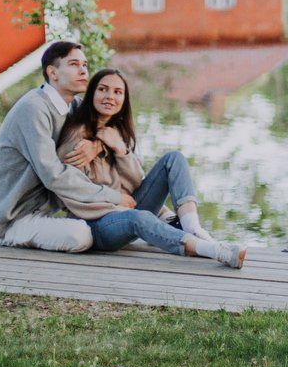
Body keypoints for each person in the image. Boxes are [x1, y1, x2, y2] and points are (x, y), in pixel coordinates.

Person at [56, 67, 247, 268]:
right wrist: (115, 203)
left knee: (174, 158)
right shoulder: (76, 139)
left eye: (117, 92)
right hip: (97, 224)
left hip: (127, 209)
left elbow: (137, 181)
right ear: (91, 93)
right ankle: (212, 250)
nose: (109, 97)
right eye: (103, 89)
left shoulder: (116, 132)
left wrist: (121, 150)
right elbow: (72, 193)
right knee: (140, 217)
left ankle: (193, 228)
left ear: (124, 99)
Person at [0, 40, 130, 252]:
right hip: (14, 216)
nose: (83, 70)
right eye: (73, 64)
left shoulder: (74, 106)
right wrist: (112, 197)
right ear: (53, 73)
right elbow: (53, 174)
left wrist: (97, 146)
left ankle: (164, 218)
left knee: (118, 207)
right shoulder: (33, 109)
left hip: (47, 210)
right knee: (81, 236)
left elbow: (116, 129)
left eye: (85, 65)